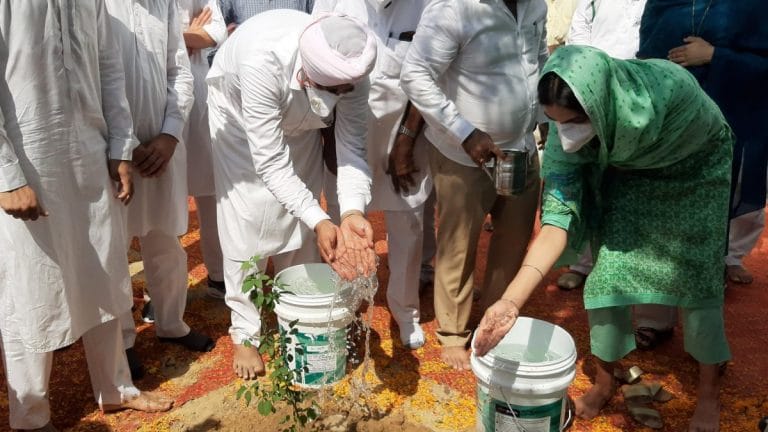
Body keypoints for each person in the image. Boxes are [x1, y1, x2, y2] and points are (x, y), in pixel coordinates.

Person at [475, 46, 733, 432]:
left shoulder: (669, 88)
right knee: (607, 277)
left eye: (576, 121)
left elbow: (699, 132)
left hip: (694, 170)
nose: (566, 136)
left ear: (602, 104)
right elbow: (556, 223)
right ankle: (605, 380)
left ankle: (710, 390)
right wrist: (510, 302)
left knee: (697, 280)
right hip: (624, 170)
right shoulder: (572, 140)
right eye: (554, 122)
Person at [0, 2, 174, 429]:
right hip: (28, 159)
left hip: (89, 153)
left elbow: (109, 69)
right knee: (30, 285)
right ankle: (31, 416)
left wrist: (119, 148)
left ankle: (116, 389)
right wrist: (6, 175)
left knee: (105, 269)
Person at [207, 9, 378, 379]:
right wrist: (320, 218)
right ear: (306, 73)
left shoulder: (353, 72)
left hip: (301, 124)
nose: (340, 96)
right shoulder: (261, 61)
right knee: (246, 217)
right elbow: (269, 161)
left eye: (343, 91)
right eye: (333, 90)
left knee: (302, 223)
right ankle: (246, 331)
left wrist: (349, 212)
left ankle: (297, 311)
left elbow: (352, 148)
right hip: (237, 119)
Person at [401, 0, 547, 370]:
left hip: (522, 147)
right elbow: (415, 74)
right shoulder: (453, 8)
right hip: (461, 153)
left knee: (513, 242)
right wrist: (465, 133)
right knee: (458, 244)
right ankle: (452, 333)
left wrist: (546, 121)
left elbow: (540, 60)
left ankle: (494, 319)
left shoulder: (536, 5)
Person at [312, 0, 432, 349]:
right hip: (345, 132)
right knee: (343, 225)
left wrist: (407, 141)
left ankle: (405, 311)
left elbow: (433, 73)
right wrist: (327, 137)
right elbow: (318, 68)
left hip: (405, 133)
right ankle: (346, 308)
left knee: (407, 226)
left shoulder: (428, 6)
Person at [106, 0, 215, 380]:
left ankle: (170, 323)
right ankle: (122, 338)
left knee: (166, 242)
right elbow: (93, 76)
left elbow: (179, 72)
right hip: (110, 152)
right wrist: (121, 144)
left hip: (164, 149)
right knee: (114, 249)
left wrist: (169, 135)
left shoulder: (164, 4)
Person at [638, 0, 768, 285]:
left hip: (733, 114)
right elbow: (647, 54)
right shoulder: (663, 3)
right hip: (673, 114)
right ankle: (666, 269)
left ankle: (721, 260)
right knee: (667, 192)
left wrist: (715, 55)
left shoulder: (756, 5)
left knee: (722, 192)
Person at [557, 0, 648, 292]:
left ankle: (616, 266)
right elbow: (578, 33)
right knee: (587, 179)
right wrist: (593, 75)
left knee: (625, 183)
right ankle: (580, 264)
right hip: (591, 92)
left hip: (636, 97)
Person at [179, 1, 228, 300]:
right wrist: (186, 35)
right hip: (145, 90)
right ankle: (163, 293)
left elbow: (215, 32)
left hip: (197, 91)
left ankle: (219, 275)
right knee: (157, 198)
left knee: (209, 192)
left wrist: (170, 38)